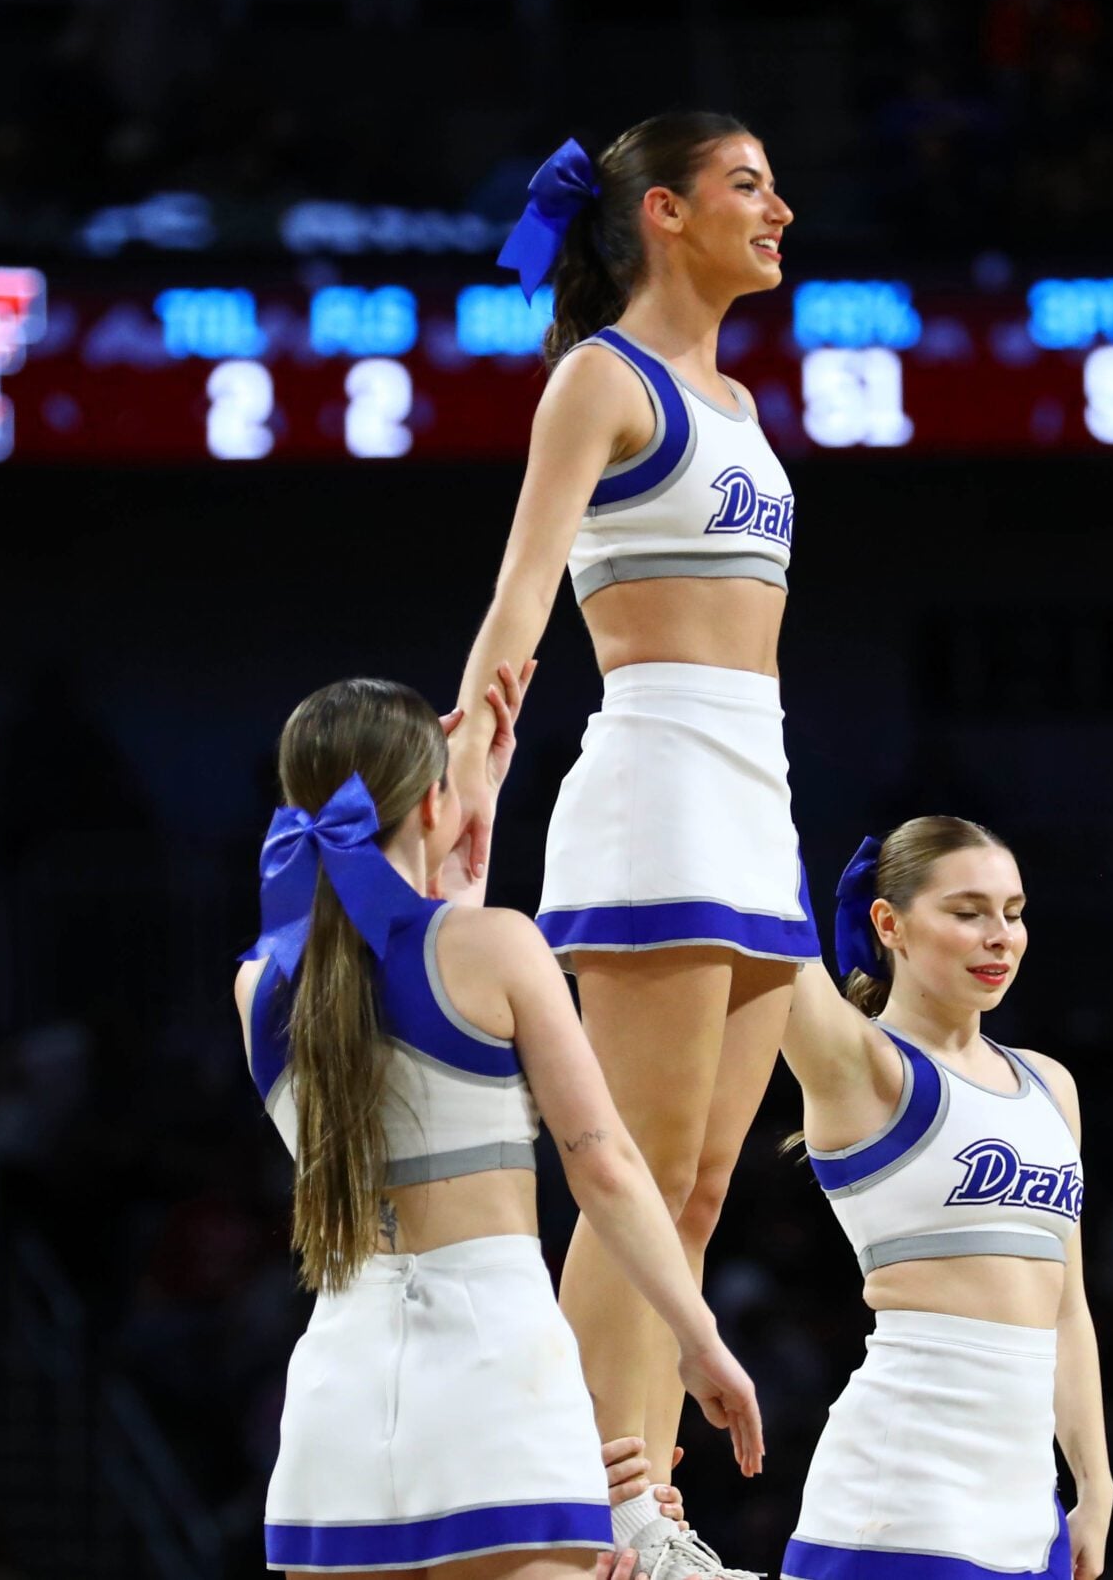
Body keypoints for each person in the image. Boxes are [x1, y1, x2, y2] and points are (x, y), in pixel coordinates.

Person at [447, 112, 806, 1575]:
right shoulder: (601, 378)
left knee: (707, 1185)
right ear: (662, 212)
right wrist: (469, 759)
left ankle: (646, 1491)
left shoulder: (737, 399)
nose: (780, 208)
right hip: (652, 783)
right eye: (748, 184)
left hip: (759, 794)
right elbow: (522, 590)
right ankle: (599, 1488)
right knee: (640, 1173)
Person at [236, 674, 763, 1575]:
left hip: (338, 1397)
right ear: (433, 798)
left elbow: (397, 975)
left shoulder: (258, 986)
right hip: (495, 1381)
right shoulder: (497, 948)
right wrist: (698, 1338)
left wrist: (453, 843)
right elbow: (607, 1169)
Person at [776, 819, 1113, 1580]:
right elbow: (775, 926)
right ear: (888, 923)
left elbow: (1067, 1307)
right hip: (903, 1495)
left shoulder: (1050, 1084)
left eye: (1014, 911)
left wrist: (1093, 1480)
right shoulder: (862, 1065)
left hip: (1030, 1507)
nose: (999, 936)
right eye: (967, 912)